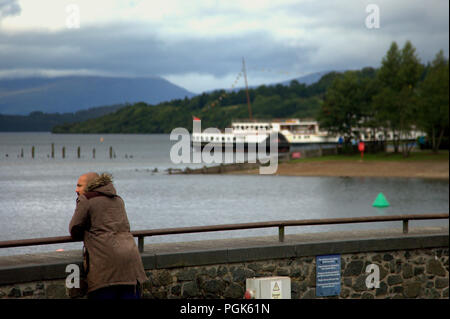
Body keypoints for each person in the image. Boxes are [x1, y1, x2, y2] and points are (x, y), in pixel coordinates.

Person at [69, 172, 147, 299]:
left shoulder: (86, 199)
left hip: (105, 266)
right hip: (130, 262)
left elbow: (74, 229)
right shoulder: (118, 199)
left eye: (79, 185)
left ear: (90, 185)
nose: (76, 189)